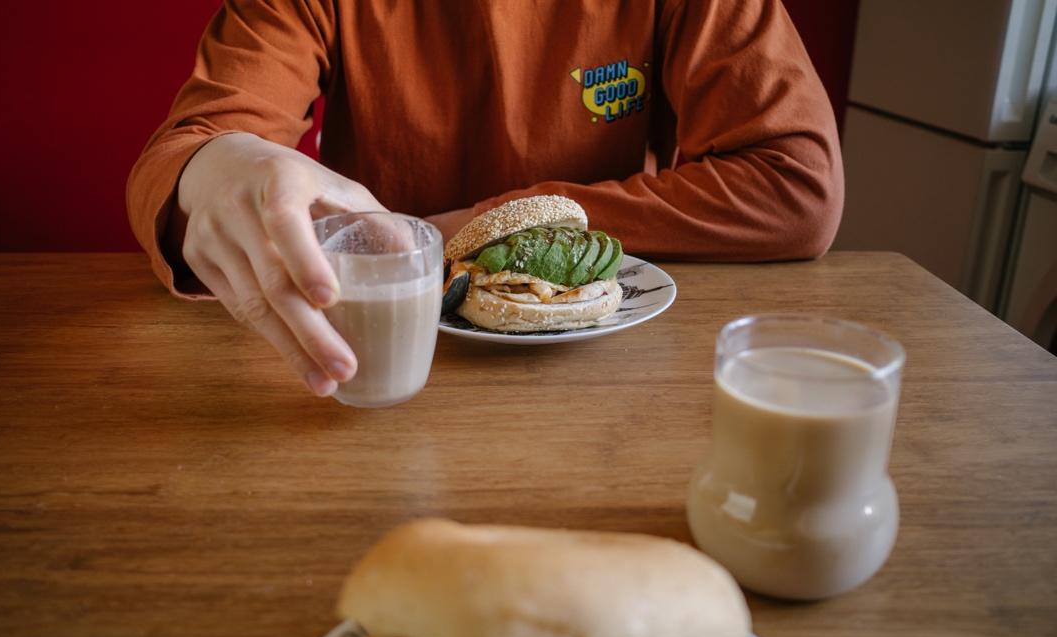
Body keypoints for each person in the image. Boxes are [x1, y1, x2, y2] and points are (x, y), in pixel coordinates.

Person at [127, 0, 843, 397]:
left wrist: (479, 222)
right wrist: (213, 166)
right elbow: (192, 148)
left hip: (608, 380)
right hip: (365, 371)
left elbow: (796, 182)